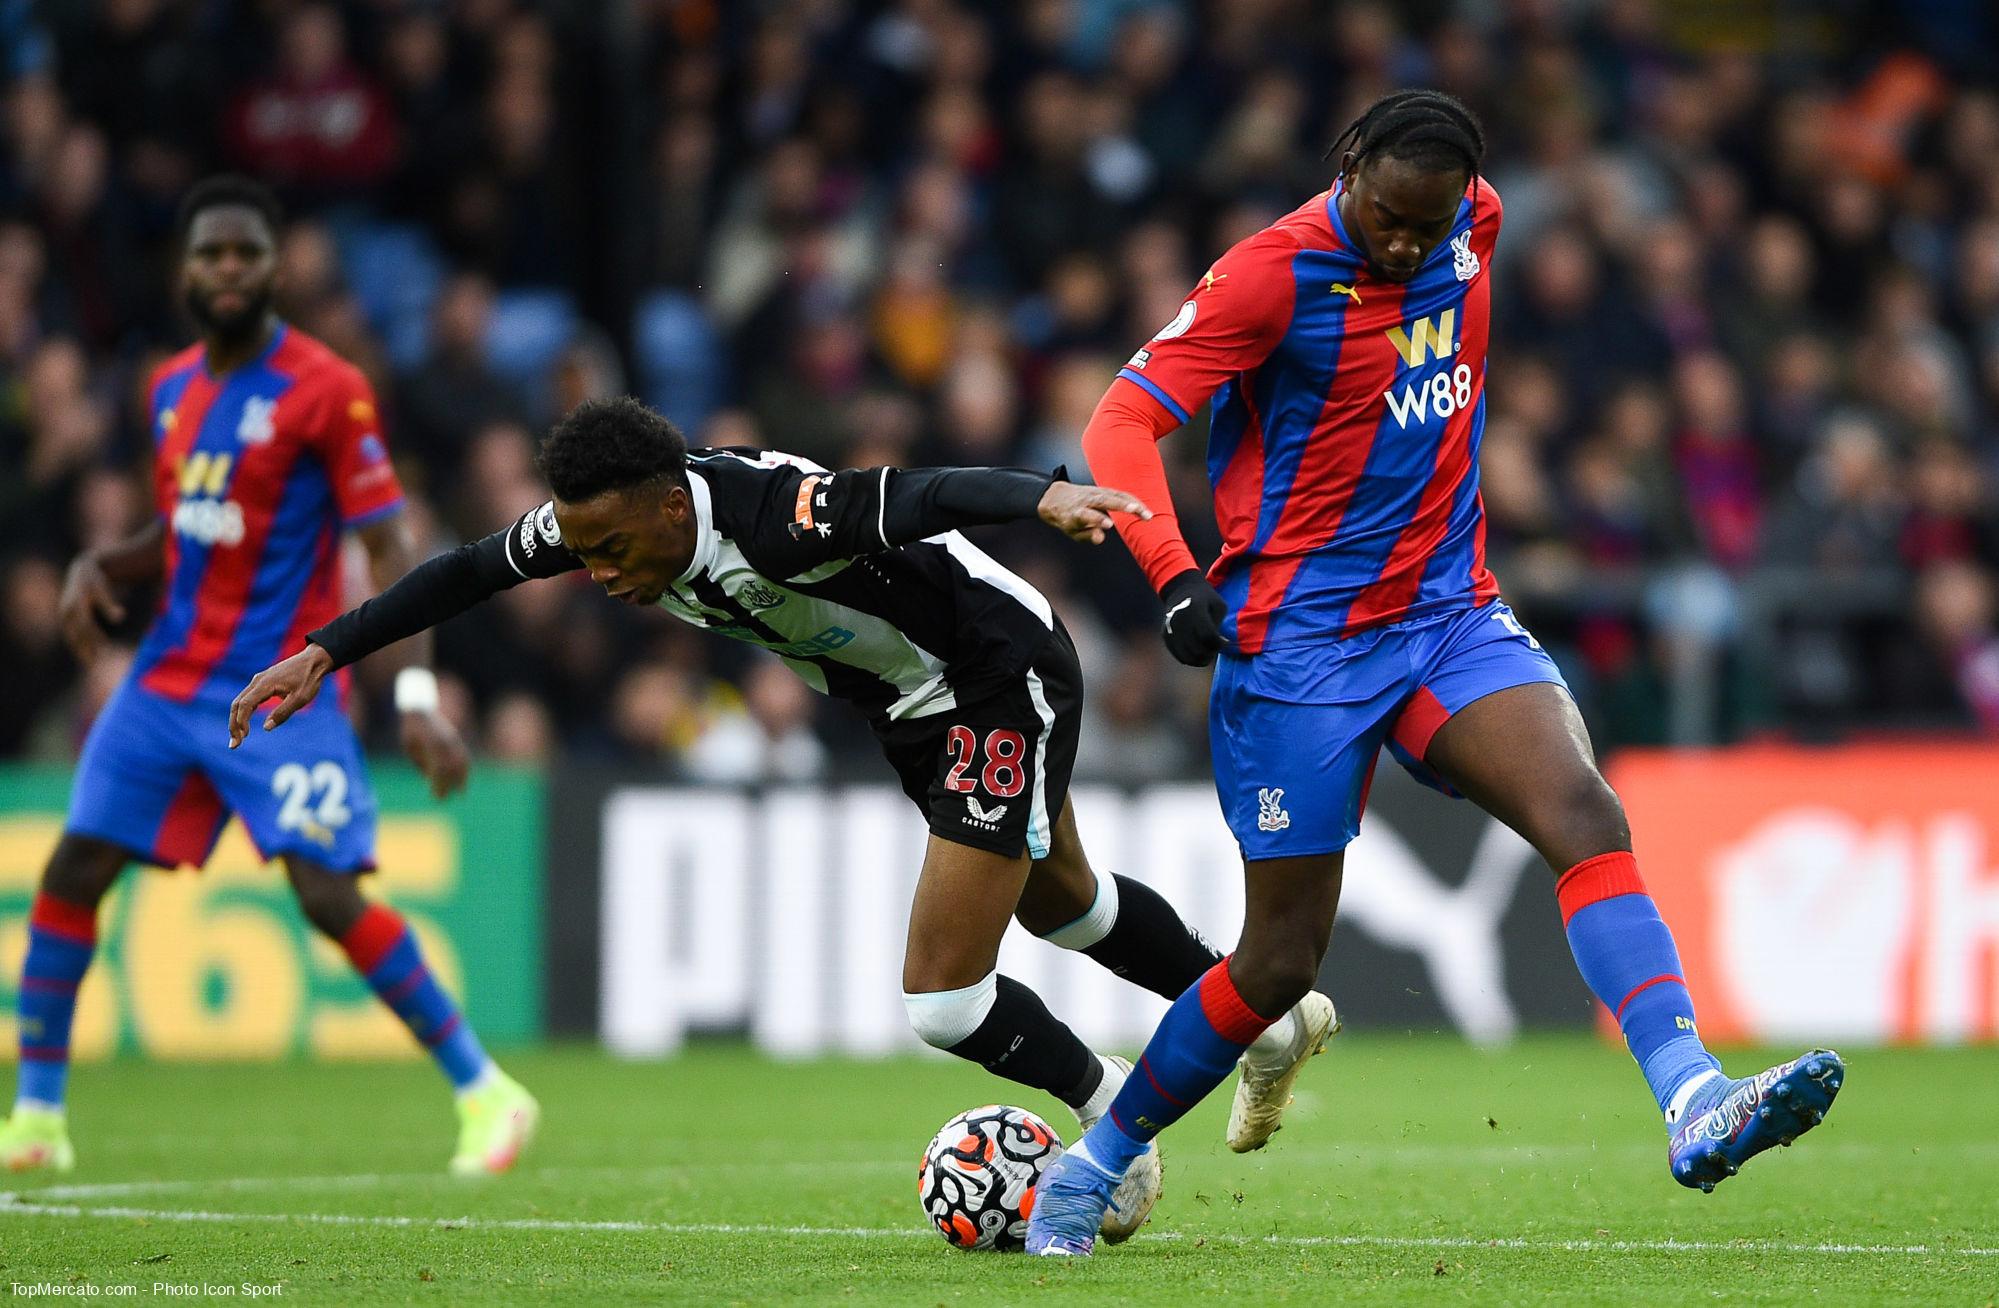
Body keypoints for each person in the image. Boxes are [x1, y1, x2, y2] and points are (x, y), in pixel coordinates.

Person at [1025, 90, 1844, 1256]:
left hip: (1442, 611)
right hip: (1297, 646)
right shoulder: (1271, 274)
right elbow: (1120, 420)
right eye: (1392, 220)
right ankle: (1094, 1165)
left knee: (1582, 811)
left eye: (1432, 224)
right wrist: (1167, 571)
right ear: (1347, 164)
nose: (1411, 245)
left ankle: (1693, 1097)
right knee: (1276, 962)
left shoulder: (1478, 221)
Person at [230, 395, 1337, 1244]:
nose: (600, 572)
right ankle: (1264, 1018)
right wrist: (329, 650)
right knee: (1066, 906)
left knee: (944, 1002)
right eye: (584, 551)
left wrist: (1040, 495)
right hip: (907, 704)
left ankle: (1113, 1133)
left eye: (615, 550)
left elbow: (917, 494)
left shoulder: (771, 518)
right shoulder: (598, 518)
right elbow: (466, 573)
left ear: (675, 507)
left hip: (996, 672)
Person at [0, 176, 538, 1178]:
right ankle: (35, 1119)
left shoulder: (326, 388)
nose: (230, 270)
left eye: (248, 253)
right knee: (73, 869)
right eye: (211, 254)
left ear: (277, 266)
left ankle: (487, 1091)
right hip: (164, 681)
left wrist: (415, 696)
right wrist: (103, 563)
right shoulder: (170, 388)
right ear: (187, 270)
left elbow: (390, 546)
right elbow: (191, 524)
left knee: (328, 894)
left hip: (280, 688)